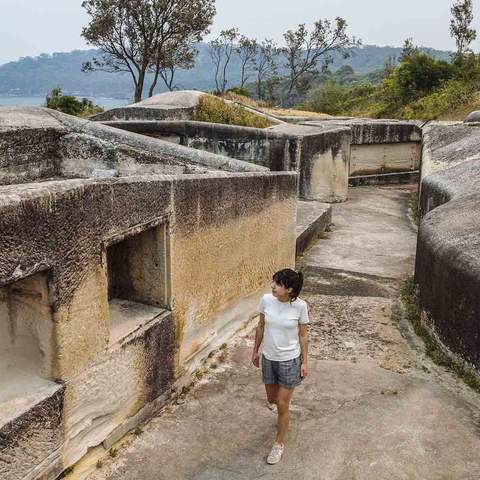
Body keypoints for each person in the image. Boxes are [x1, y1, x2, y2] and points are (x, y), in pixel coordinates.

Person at [251, 268, 309, 465]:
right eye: (273, 282)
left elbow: (303, 335)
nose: (272, 286)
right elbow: (260, 326)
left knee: (283, 404)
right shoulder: (266, 300)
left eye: (277, 284)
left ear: (290, 289)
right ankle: (282, 416)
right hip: (269, 358)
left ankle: (279, 444)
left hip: (289, 360)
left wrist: (305, 362)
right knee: (272, 399)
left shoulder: (300, 307)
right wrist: (255, 350)